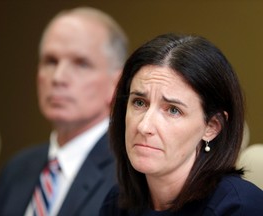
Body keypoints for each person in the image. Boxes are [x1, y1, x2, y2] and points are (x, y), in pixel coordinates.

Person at [99, 33, 263, 216]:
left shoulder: (241, 208)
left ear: (212, 127)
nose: (144, 126)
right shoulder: (118, 202)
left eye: (173, 110)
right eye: (139, 103)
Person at [0, 6, 128, 216]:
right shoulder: (16, 169)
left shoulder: (129, 175)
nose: (58, 78)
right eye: (50, 61)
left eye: (81, 64)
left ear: (116, 84)